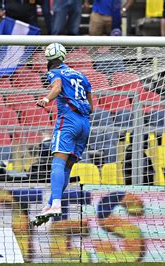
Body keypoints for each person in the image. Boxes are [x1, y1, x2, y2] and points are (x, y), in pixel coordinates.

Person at [32, 43, 93, 226]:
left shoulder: (54, 72)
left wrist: (46, 99)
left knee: (57, 162)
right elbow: (92, 107)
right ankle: (50, 203)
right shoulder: (81, 75)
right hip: (84, 124)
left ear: (49, 60)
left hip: (68, 120)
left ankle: (56, 204)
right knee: (67, 167)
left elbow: (57, 88)